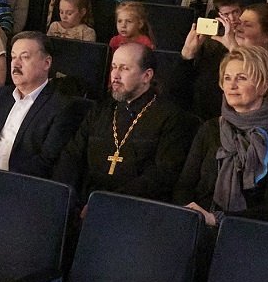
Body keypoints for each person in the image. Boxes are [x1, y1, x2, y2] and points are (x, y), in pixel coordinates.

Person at [173, 45, 268, 224]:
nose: (232, 86)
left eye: (241, 78)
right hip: (196, 223)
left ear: (263, 85)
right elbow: (184, 187)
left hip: (248, 232)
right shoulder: (210, 129)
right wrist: (191, 214)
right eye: (227, 78)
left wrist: (217, 219)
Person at [63, 41, 197, 205]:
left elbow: (162, 175)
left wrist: (106, 202)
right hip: (84, 204)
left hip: (134, 209)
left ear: (146, 76)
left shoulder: (170, 117)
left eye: (124, 68)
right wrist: (67, 198)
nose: (115, 75)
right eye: (113, 67)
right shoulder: (101, 110)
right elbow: (72, 156)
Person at [0, 32, 82, 179]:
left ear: (46, 63)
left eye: (24, 57)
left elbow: (46, 161)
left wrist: (0, 182)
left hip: (16, 187)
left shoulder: (61, 107)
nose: (16, 64)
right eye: (14, 57)